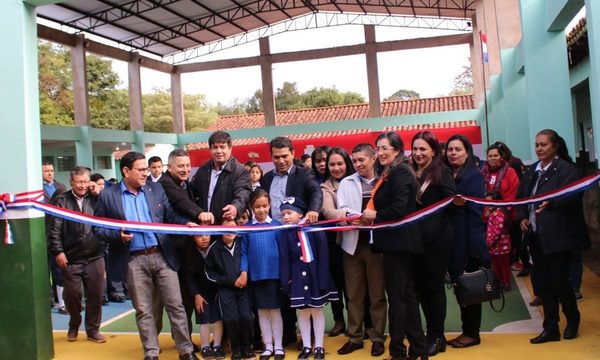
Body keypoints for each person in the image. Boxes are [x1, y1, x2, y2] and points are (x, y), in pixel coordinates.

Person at [94, 151, 199, 360]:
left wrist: (185, 223)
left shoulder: (155, 189)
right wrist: (117, 235)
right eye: (141, 170)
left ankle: (185, 351)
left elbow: (169, 216)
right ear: (126, 171)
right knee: (144, 310)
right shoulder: (108, 195)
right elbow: (98, 228)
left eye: (146, 169)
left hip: (162, 256)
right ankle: (151, 353)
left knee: (176, 306)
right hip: (133, 260)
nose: (146, 173)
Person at [362, 132, 427, 360]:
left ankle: (398, 351)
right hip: (394, 244)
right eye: (377, 148)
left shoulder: (400, 173)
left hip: (400, 245)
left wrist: (374, 214)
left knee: (398, 300)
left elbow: (400, 209)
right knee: (406, 297)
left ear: (397, 150)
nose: (379, 153)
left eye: (384, 148)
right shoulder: (391, 172)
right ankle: (418, 348)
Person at [518, 129, 583, 344]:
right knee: (543, 284)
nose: (539, 149)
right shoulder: (531, 172)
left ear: (554, 146)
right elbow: (521, 199)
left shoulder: (565, 170)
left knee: (560, 282)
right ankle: (551, 328)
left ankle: (572, 321)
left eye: (543, 144)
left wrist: (552, 203)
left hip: (558, 237)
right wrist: (522, 217)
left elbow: (574, 195)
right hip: (536, 237)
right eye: (536, 145)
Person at [260, 136, 323, 346]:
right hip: (273, 237)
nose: (280, 160)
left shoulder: (304, 174)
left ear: (293, 154)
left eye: (284, 156)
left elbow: (316, 192)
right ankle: (287, 334)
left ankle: (310, 338)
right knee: (282, 282)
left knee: (302, 283)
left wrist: (313, 210)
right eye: (276, 157)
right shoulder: (266, 179)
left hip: (298, 238)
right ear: (271, 157)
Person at [336, 143, 387, 357]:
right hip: (352, 246)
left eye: (361, 160)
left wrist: (374, 217)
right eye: (354, 161)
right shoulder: (346, 182)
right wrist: (353, 215)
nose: (357, 164)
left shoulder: (385, 181)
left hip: (377, 246)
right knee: (354, 295)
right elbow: (342, 208)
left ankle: (377, 337)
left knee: (377, 295)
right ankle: (355, 337)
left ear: (373, 158)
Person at [47, 166, 106, 344]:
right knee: (72, 295)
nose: (82, 185)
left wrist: (100, 195)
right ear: (71, 182)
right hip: (71, 256)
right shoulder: (61, 201)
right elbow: (54, 229)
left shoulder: (97, 199)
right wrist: (58, 251)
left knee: (96, 295)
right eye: (78, 182)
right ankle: (74, 324)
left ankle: (93, 330)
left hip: (95, 254)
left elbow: (111, 210)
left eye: (85, 181)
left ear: (90, 182)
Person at [410, 131, 456, 356]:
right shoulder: (411, 172)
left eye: (423, 149)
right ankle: (429, 333)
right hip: (414, 241)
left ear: (434, 151)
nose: (418, 153)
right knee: (420, 288)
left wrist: (427, 228)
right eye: (415, 149)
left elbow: (449, 201)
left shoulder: (441, 171)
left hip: (436, 240)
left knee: (434, 288)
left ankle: (437, 336)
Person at [278, 196, 338, 360]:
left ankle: (318, 346)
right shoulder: (286, 234)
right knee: (303, 313)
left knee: (317, 311)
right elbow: (284, 259)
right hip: (297, 279)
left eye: (289, 213)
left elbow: (323, 255)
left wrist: (323, 278)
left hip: (315, 277)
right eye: (283, 214)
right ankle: (306, 346)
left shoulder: (314, 229)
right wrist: (286, 281)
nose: (285, 217)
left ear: (300, 214)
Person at [444, 134, 489, 349]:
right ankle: (467, 330)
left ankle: (472, 333)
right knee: (459, 288)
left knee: (469, 288)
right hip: (451, 241)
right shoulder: (447, 174)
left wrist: (475, 247)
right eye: (450, 149)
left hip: (468, 242)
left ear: (467, 152)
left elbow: (476, 213)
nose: (453, 153)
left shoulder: (473, 177)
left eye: (458, 149)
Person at [241, 189, 285, 360]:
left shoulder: (277, 226)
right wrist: (244, 272)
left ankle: (279, 346)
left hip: (274, 277)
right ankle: (268, 346)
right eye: (257, 207)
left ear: (270, 205)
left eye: (264, 206)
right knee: (261, 313)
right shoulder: (247, 229)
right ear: (252, 207)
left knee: (275, 312)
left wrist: (283, 274)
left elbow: (282, 252)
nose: (261, 210)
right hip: (256, 277)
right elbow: (244, 253)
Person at [205, 219, 255, 360]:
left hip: (244, 289)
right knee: (231, 319)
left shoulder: (242, 244)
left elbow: (250, 261)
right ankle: (236, 349)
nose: (230, 231)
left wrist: (245, 277)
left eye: (233, 227)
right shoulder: (214, 248)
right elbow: (209, 272)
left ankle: (247, 347)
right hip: (226, 291)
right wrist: (227, 281)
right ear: (220, 230)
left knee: (246, 317)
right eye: (226, 228)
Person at [320, 147, 354, 338]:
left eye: (340, 163)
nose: (336, 167)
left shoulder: (357, 180)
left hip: (358, 239)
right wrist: (352, 216)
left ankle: (357, 322)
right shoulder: (325, 187)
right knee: (336, 282)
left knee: (355, 285)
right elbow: (328, 212)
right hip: (334, 242)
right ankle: (339, 320)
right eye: (332, 164)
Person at [481, 143, 520, 291]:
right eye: (490, 156)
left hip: (505, 219)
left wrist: (498, 212)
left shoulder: (509, 172)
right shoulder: (483, 172)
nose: (492, 158)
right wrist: (486, 211)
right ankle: (495, 280)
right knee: (491, 253)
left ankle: (505, 281)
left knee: (504, 255)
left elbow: (513, 194)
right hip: (486, 218)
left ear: (501, 156)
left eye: (495, 155)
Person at [190, 130, 251, 225]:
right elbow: (192, 193)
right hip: (205, 227)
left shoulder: (240, 171)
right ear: (210, 149)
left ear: (230, 148)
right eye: (215, 147)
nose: (219, 151)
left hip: (226, 226)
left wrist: (235, 207)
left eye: (222, 147)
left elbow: (244, 193)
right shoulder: (203, 170)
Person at [187, 234, 225, 360]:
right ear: (193, 238)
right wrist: (196, 295)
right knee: (204, 320)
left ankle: (218, 346)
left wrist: (221, 289)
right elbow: (189, 277)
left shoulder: (216, 249)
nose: (204, 238)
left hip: (216, 291)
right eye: (199, 236)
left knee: (218, 320)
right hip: (200, 293)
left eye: (206, 235)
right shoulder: (190, 254)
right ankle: (205, 346)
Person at [42, 161, 67, 313]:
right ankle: (49, 298)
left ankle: (62, 301)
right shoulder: (38, 188)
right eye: (46, 171)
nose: (50, 173)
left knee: (58, 270)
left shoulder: (61, 187)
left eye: (51, 170)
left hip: (59, 231)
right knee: (46, 269)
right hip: (45, 230)